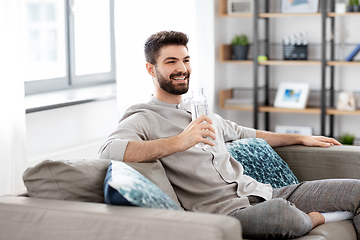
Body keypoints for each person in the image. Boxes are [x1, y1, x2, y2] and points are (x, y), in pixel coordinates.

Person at [99, 30, 360, 239]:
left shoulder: (199, 110)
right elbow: (109, 151)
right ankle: (317, 218)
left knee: (357, 190)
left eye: (186, 60)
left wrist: (299, 138)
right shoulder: (143, 116)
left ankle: (324, 216)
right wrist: (180, 142)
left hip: (267, 193)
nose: (182, 68)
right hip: (226, 212)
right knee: (282, 215)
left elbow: (246, 133)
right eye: (171, 62)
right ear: (150, 69)